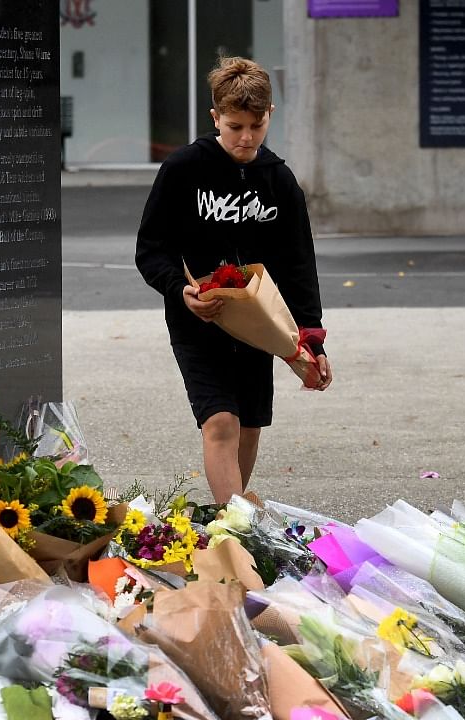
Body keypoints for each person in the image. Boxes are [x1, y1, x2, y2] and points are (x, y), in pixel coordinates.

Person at [135, 56, 332, 504]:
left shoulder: (280, 182)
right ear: (215, 118)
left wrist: (311, 341)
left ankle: (235, 521)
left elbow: (299, 266)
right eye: (234, 126)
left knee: (247, 426)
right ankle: (237, 528)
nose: (246, 138)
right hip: (198, 321)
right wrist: (179, 290)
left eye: (256, 126)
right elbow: (150, 249)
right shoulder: (184, 170)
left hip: (257, 326)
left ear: (270, 117)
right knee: (220, 421)